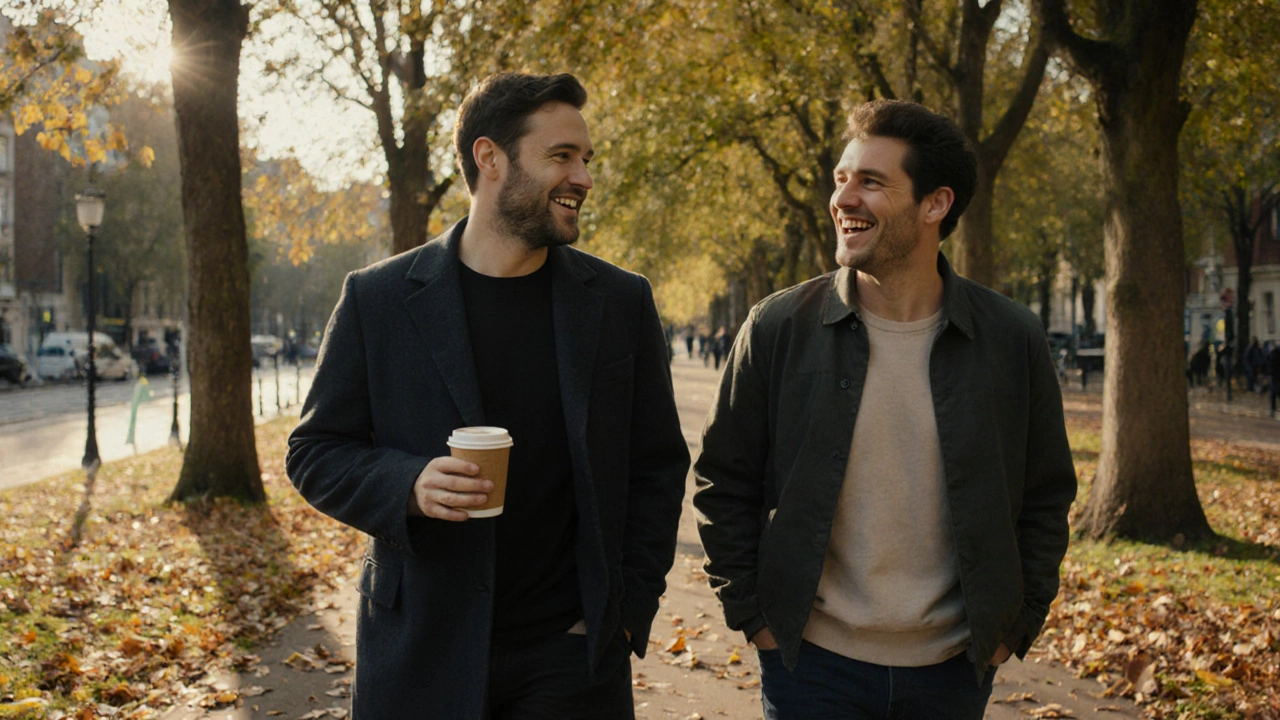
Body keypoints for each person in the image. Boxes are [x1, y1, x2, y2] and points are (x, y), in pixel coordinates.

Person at [287, 72, 690, 719]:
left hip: (571, 660)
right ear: (489, 157)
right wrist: (408, 484)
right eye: (562, 156)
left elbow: (657, 466)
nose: (584, 178)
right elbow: (314, 451)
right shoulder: (377, 298)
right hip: (421, 651)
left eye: (586, 159)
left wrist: (624, 612)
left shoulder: (621, 302)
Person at [692, 99, 1077, 719]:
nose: (843, 199)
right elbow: (724, 479)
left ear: (935, 204)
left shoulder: (1011, 338)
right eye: (841, 178)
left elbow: (1045, 494)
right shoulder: (779, 327)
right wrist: (753, 616)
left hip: (954, 670)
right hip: (810, 668)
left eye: (871, 182)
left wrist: (1016, 623)